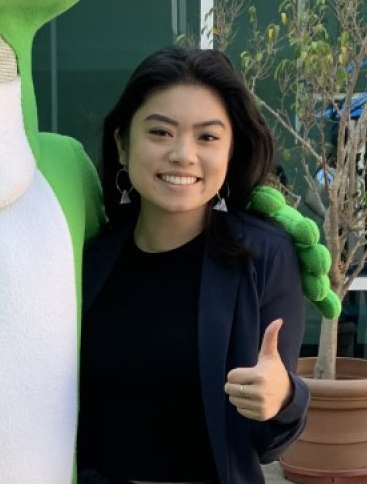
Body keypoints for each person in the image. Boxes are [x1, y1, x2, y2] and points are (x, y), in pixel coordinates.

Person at [78, 47, 309, 484]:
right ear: (123, 144)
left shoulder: (265, 255)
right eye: (160, 132)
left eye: (207, 137)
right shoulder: (88, 258)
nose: (183, 154)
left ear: (231, 151)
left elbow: (269, 444)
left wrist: (282, 397)